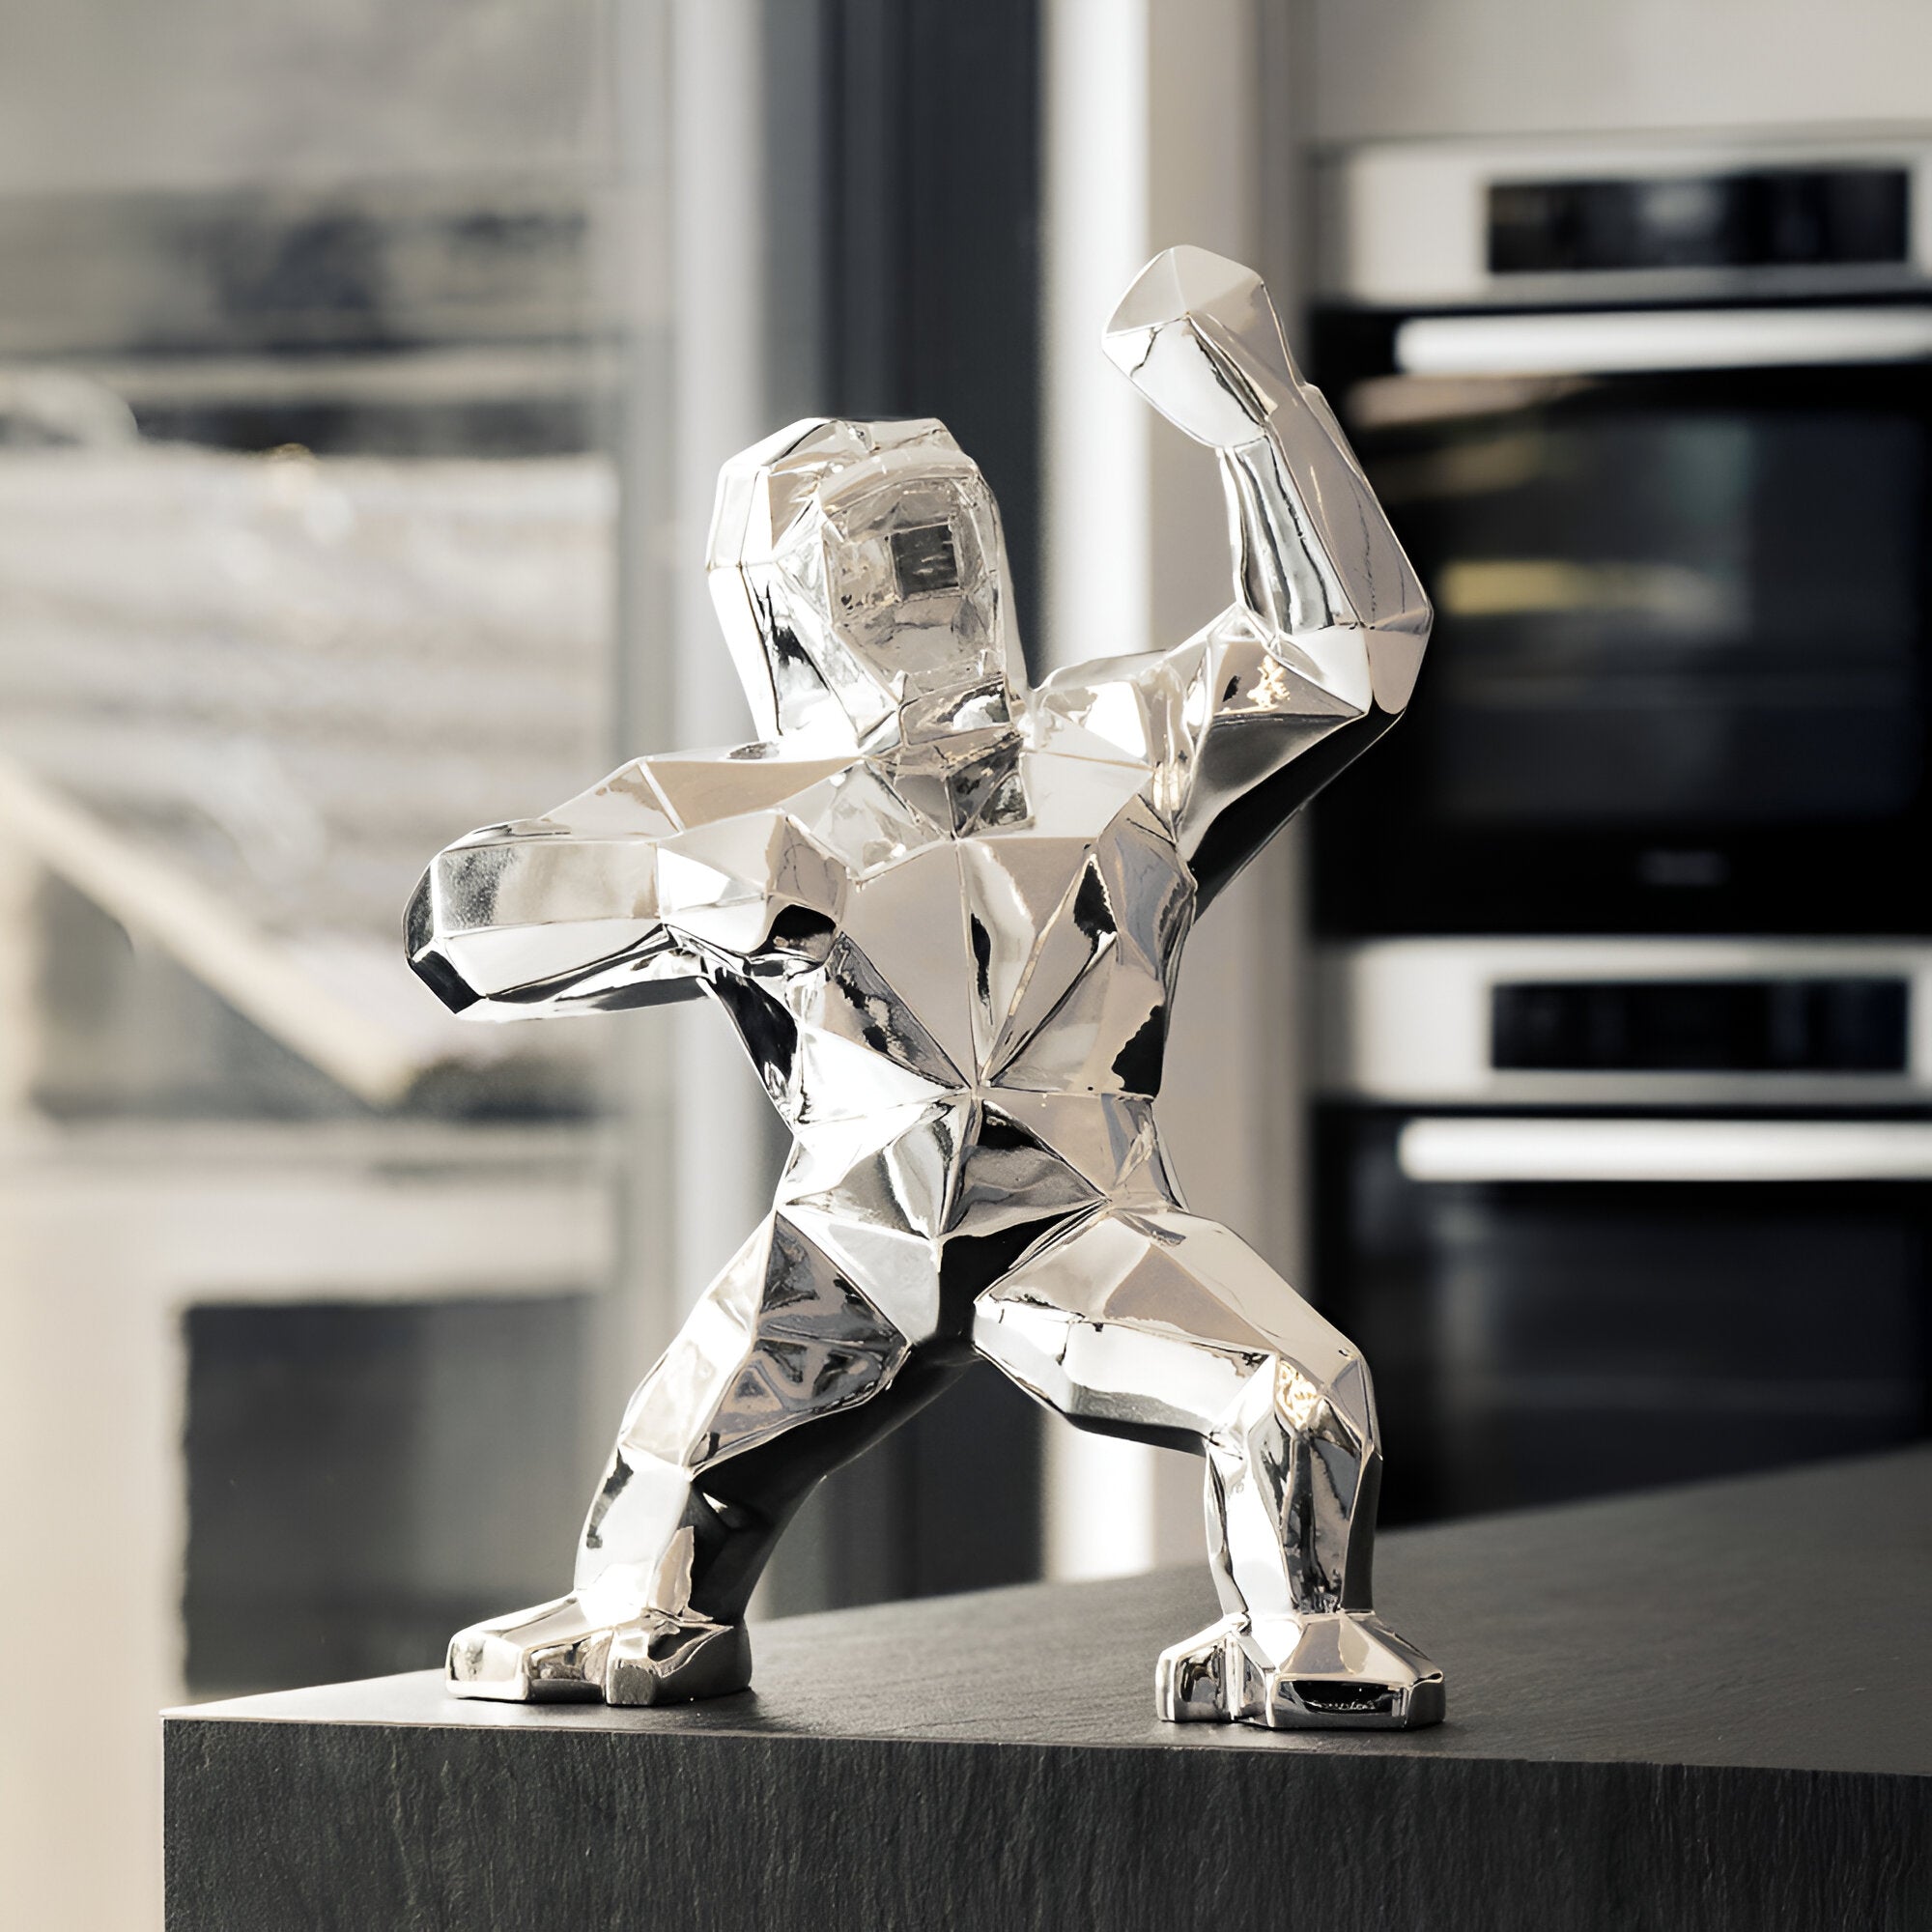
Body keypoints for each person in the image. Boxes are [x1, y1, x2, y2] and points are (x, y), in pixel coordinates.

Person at [406, 246, 1441, 1729]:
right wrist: (684, 895)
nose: (918, 586)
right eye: (873, 554)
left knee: (1294, 1391)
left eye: (938, 537)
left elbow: (1343, 655)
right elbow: (463, 922)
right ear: (782, 601)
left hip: (1078, 1227)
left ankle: (1303, 1635)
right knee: (664, 1497)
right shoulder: (729, 808)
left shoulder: (1113, 746)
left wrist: (1261, 417)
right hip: (843, 1249)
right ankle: (642, 1614)